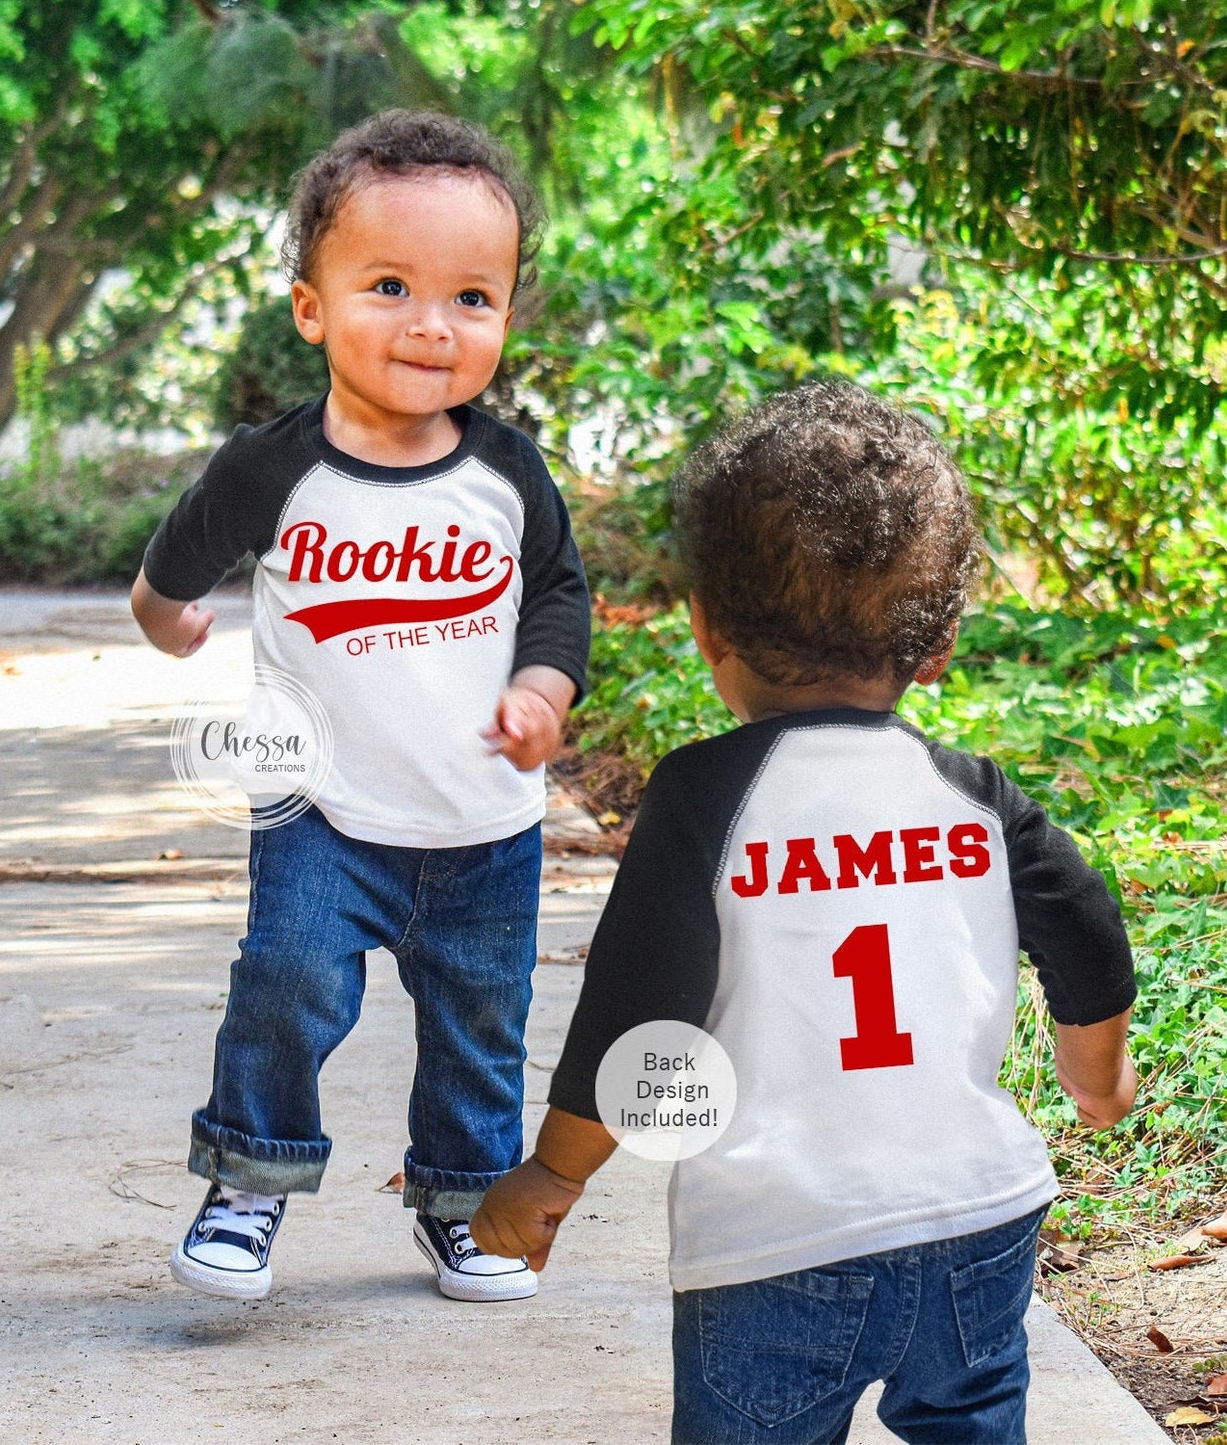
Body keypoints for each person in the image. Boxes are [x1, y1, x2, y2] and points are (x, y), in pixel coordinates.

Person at [471, 382, 1137, 1441]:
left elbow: (643, 1016)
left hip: (778, 1244)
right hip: (977, 1220)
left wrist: (554, 1171)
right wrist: (1092, 1074)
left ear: (704, 629)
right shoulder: (974, 795)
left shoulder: (703, 798)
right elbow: (1087, 929)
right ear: (938, 641)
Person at [131, 110, 590, 1304]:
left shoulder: (507, 473)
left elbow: (555, 594)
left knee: (482, 1024)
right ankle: (248, 1181)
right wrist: (163, 613)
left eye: (471, 298)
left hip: (482, 821)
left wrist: (542, 685)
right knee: (281, 984)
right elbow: (176, 557)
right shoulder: (273, 467)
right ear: (311, 307)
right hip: (320, 812)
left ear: (503, 315)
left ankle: (462, 1201)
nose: (432, 324)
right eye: (389, 286)